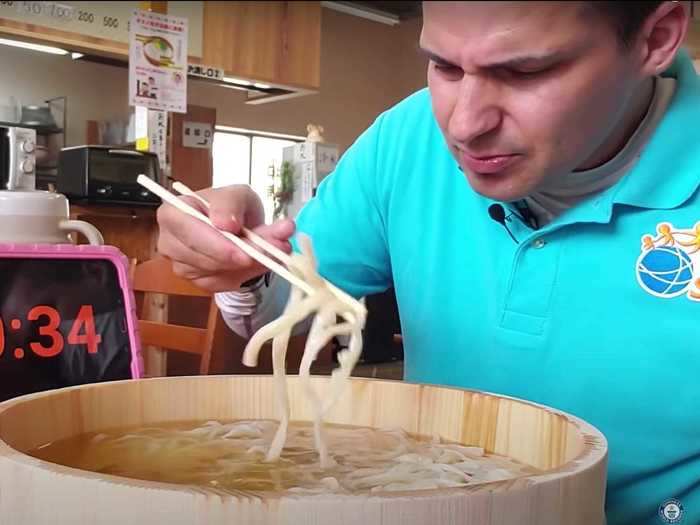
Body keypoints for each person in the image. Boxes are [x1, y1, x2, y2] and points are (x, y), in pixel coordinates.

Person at [155, 2, 699, 523]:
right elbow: (286, 306)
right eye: (444, 66)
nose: (463, 126)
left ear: (656, 38)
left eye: (525, 71)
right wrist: (240, 264)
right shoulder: (407, 139)